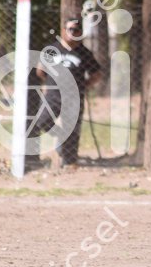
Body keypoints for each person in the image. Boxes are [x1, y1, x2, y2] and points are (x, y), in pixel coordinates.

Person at [29, 18, 102, 168]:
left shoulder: (84, 52)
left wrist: (84, 86)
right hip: (53, 95)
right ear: (63, 31)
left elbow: (97, 74)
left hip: (74, 97)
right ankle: (61, 135)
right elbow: (40, 71)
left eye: (77, 30)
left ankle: (69, 162)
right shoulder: (51, 49)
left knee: (72, 128)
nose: (73, 33)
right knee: (42, 120)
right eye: (70, 29)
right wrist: (50, 83)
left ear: (80, 33)